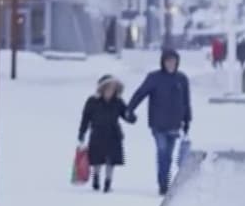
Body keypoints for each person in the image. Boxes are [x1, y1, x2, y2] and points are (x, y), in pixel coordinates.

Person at [126, 49, 191, 195]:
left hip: (175, 124)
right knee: (163, 153)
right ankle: (163, 184)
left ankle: (165, 182)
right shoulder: (154, 78)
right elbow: (140, 93)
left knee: (168, 154)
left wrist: (187, 121)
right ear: (163, 62)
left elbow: (186, 102)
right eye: (168, 61)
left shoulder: (181, 79)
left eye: (173, 61)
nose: (171, 64)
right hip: (158, 124)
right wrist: (130, 108)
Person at [78, 74, 135, 193]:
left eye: (113, 88)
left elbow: (126, 115)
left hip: (114, 134)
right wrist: (82, 132)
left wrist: (131, 117)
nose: (111, 90)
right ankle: (96, 177)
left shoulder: (118, 102)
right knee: (97, 159)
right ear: (102, 88)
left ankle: (108, 181)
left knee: (111, 160)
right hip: (97, 134)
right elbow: (85, 118)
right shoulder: (92, 101)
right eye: (108, 88)